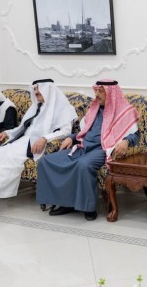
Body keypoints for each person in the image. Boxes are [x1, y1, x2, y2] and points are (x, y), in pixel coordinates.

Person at [0, 78, 77, 215]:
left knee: (10, 159)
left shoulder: (64, 109)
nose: (36, 92)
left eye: (38, 89)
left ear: (48, 90)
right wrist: (6, 132)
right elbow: (22, 127)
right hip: (23, 140)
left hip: (36, 143)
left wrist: (44, 138)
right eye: (34, 89)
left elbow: (65, 132)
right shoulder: (36, 107)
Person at [36, 79, 139, 221]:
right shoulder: (94, 109)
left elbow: (135, 134)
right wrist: (71, 137)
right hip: (83, 146)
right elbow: (83, 131)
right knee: (46, 161)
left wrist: (126, 141)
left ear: (111, 93)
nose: (96, 94)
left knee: (83, 165)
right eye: (96, 90)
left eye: (101, 91)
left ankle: (88, 208)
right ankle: (66, 204)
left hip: (102, 149)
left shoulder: (124, 111)